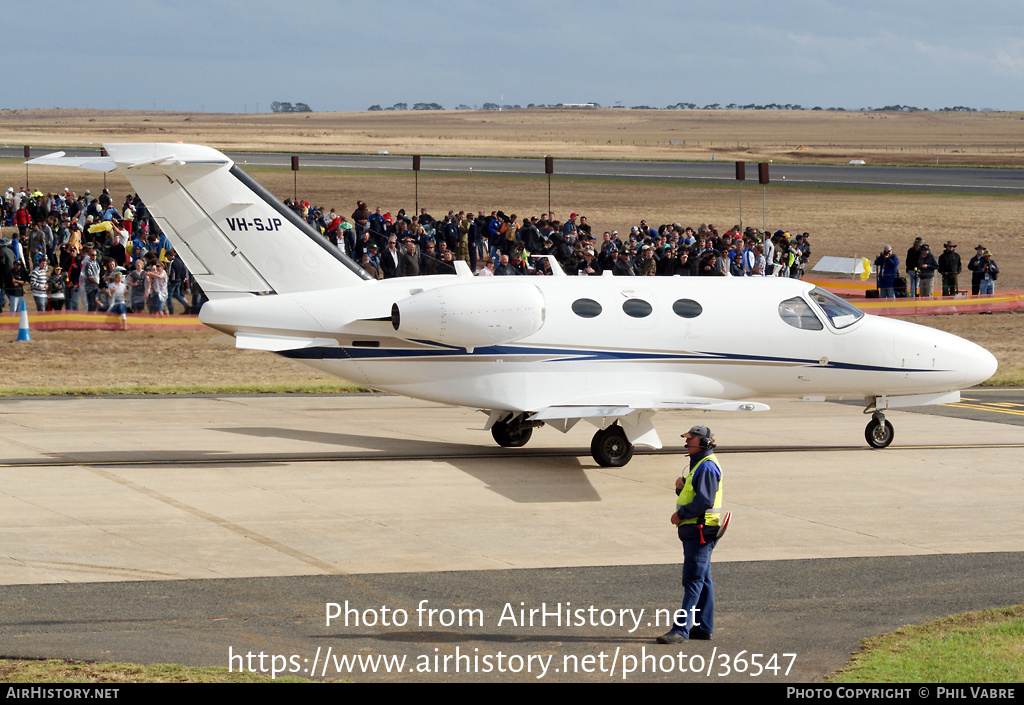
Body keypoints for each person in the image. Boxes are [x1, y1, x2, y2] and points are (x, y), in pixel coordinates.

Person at [657, 424, 723, 644]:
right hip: (698, 530)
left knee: (693, 579)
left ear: (704, 443)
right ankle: (704, 627)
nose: (686, 443)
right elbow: (697, 493)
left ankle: (681, 629)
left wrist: (681, 515)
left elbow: (705, 500)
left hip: (700, 531)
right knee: (703, 579)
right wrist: (681, 488)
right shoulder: (700, 466)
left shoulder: (706, 467)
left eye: (691, 439)